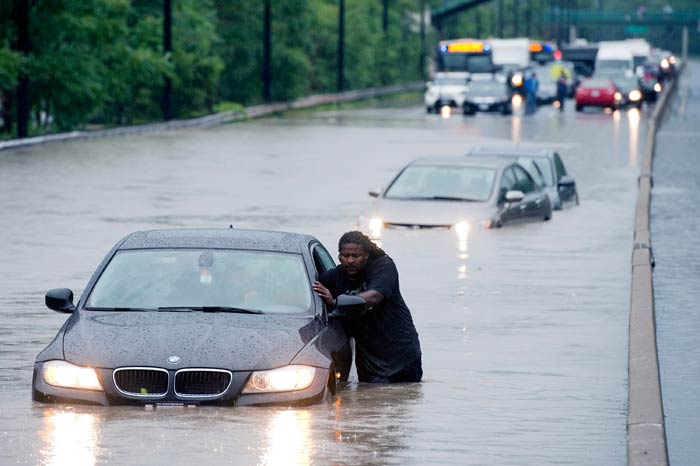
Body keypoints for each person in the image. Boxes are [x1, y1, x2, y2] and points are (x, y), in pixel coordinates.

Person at [313, 231, 422, 383]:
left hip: (401, 355)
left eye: (355, 256)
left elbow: (374, 296)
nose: (350, 261)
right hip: (369, 360)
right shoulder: (333, 278)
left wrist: (336, 302)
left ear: (367, 255)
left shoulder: (383, 266)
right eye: (345, 256)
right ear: (339, 256)